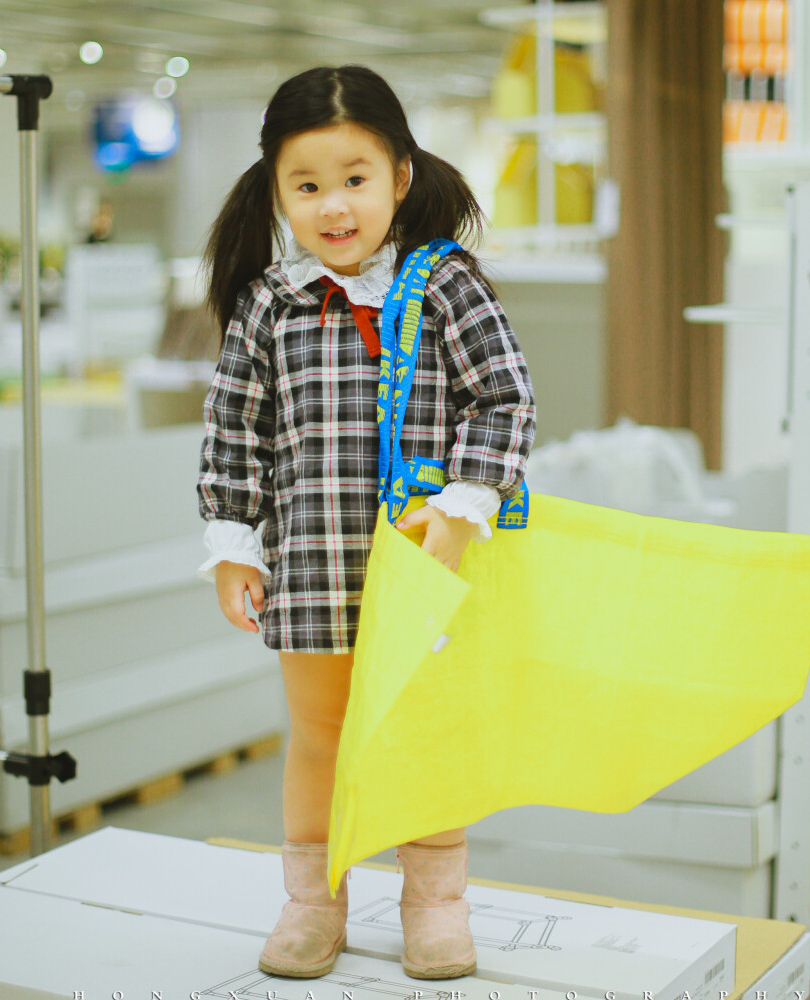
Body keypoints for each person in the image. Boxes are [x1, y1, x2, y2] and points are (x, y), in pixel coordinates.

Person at [196, 64, 536, 981]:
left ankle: (435, 905)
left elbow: (505, 401)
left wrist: (465, 509)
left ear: (401, 177)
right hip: (310, 563)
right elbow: (235, 434)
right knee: (320, 736)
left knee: (425, 731)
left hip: (426, 563)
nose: (333, 206)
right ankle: (315, 902)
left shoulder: (448, 284)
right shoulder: (271, 302)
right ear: (276, 192)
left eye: (355, 179)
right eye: (307, 186)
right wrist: (234, 545)